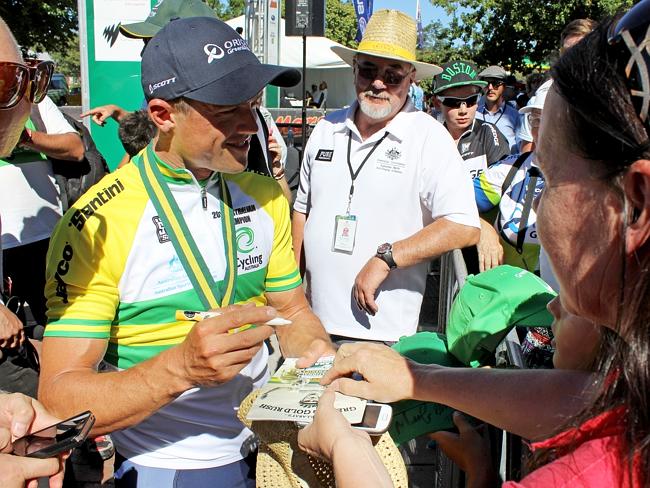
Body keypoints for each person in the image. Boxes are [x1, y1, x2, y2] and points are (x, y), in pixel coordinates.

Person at [299, 5, 650, 486]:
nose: (529, 215)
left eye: (546, 178)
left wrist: (344, 444)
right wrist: (421, 380)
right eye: (367, 70)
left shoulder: (583, 473)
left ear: (638, 201)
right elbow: (585, 396)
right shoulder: (628, 395)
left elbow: (464, 221)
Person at [39, 17, 333, 487]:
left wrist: (316, 355)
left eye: (254, 104)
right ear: (162, 115)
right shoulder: (97, 219)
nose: (250, 125)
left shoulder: (266, 195)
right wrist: (181, 368)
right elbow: (58, 397)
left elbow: (292, 309)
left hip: (268, 448)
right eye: (226, 109)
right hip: (167, 464)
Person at [292, 9, 480, 343]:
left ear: (411, 80)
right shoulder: (326, 128)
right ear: (355, 70)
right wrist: (292, 297)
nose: (378, 83)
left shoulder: (428, 137)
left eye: (393, 76)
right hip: (312, 326)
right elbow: (302, 211)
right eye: (368, 70)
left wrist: (387, 258)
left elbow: (464, 225)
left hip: (383, 334)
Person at [0, 17, 69, 488]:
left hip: (40, 244)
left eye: (31, 77)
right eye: (7, 82)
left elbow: (72, 146)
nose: (23, 100)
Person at [1, 95, 84, 328]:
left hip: (46, 238)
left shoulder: (33, 99)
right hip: (4, 243)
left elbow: (76, 149)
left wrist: (22, 136)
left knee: (59, 326)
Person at [433, 60, 510, 274]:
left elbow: (504, 191)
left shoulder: (489, 134)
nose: (463, 109)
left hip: (481, 248)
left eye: (471, 100)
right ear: (437, 103)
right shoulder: (430, 138)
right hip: (439, 248)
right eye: (453, 102)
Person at [473, 79, 552, 273]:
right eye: (536, 120)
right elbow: (459, 202)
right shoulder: (512, 167)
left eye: (550, 119)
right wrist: (484, 229)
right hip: (513, 296)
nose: (541, 129)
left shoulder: (591, 180)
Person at [476, 65, 521, 153]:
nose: (490, 88)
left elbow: (520, 148)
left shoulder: (515, 116)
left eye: (495, 83)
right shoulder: (474, 114)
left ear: (504, 86)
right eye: (486, 83)